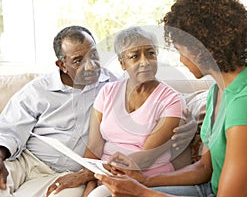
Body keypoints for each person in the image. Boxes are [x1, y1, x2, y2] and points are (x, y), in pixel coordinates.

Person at [94, 0, 247, 196]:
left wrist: (142, 192)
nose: (181, 59)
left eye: (180, 50)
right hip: (209, 189)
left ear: (200, 50)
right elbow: (204, 169)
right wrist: (145, 180)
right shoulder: (218, 91)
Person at [46, 26, 193, 197]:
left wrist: (89, 175)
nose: (145, 61)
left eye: (150, 53)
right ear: (122, 63)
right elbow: (94, 147)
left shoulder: (171, 100)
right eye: (134, 56)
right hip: (104, 175)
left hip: (142, 177)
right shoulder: (107, 92)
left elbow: (145, 158)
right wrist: (90, 184)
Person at [0, 25, 118, 197]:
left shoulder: (113, 85)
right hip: (26, 161)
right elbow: (9, 128)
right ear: (62, 65)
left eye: (93, 55)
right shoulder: (38, 89)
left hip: (70, 173)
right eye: (78, 60)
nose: (91, 66)